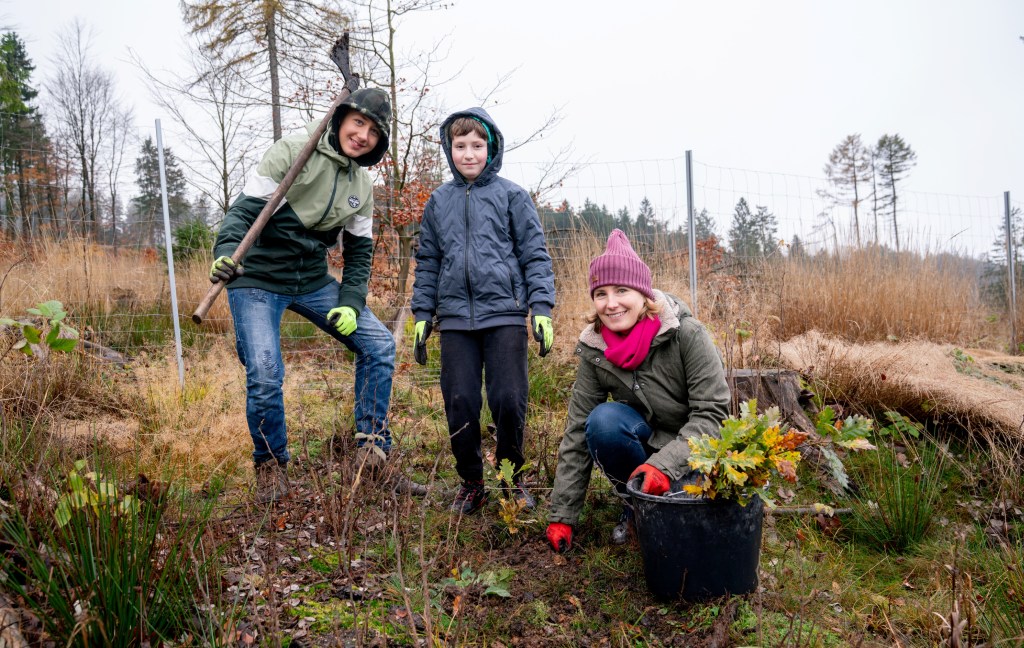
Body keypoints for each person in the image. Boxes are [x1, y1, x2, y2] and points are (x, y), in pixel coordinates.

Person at [211, 87, 415, 503]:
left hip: (312, 279)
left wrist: (351, 304)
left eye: (374, 131)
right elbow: (243, 212)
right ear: (341, 119)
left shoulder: (362, 184)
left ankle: (372, 454)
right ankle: (271, 466)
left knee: (377, 345)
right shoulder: (291, 151)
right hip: (257, 277)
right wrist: (225, 254)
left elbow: (359, 253)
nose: (362, 135)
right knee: (265, 373)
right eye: (358, 122)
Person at [544, 229, 730, 552]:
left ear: (643, 294)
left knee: (692, 526)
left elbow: (712, 416)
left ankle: (668, 497)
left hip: (693, 455)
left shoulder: (686, 335)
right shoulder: (596, 349)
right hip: (644, 450)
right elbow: (577, 430)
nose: (611, 303)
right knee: (602, 422)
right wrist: (564, 514)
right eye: (600, 293)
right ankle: (636, 505)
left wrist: (665, 465)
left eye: (621, 290)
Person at [411, 107, 556, 515]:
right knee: (459, 400)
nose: (469, 153)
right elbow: (429, 262)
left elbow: (535, 256)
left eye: (477, 145)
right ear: (449, 148)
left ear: (491, 148)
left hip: (505, 315)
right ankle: (471, 482)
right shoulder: (438, 201)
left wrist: (540, 307)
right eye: (460, 146)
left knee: (508, 399)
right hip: (455, 319)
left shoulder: (512, 196)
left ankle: (511, 477)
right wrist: (423, 313)